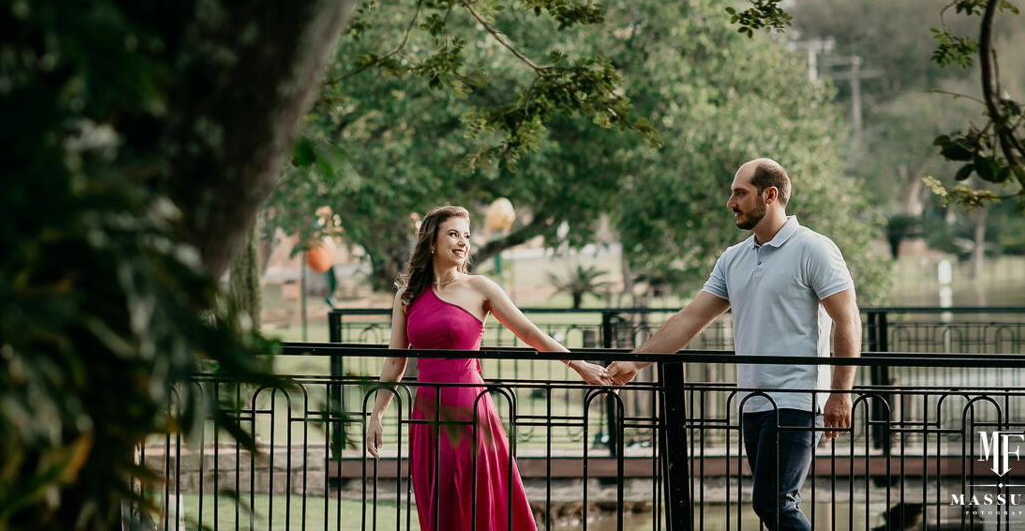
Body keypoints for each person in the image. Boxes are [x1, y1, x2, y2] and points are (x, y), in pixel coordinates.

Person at [604, 159, 860, 531]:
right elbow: (689, 319)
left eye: (740, 192)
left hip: (797, 400)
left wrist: (840, 394)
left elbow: (847, 318)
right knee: (772, 504)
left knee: (774, 502)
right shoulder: (733, 258)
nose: (731, 201)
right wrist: (636, 362)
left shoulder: (814, 249)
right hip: (752, 402)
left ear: (770, 195)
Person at [367, 204, 611, 531]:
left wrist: (581, 366)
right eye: (452, 234)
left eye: (466, 235)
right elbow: (395, 360)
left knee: (475, 498)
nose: (462, 242)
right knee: (437, 503)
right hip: (426, 415)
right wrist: (377, 413)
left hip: (470, 409)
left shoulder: (480, 288)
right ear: (431, 242)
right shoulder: (407, 295)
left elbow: (530, 334)